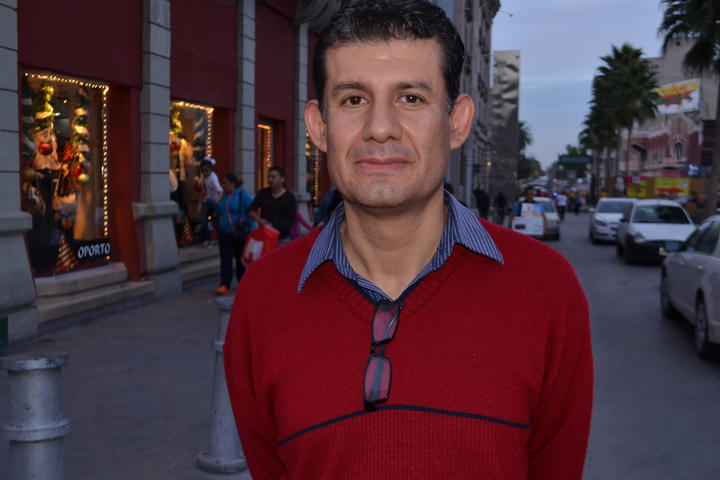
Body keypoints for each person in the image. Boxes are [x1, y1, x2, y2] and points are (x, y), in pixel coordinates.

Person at [224, 2, 593, 479]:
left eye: (411, 98)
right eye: (353, 100)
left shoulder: (546, 290)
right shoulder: (262, 299)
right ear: (319, 126)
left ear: (456, 122)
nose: (380, 128)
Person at [212, 173, 255, 296]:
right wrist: (211, 200)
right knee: (225, 259)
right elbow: (220, 208)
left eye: (225, 183)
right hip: (224, 232)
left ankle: (243, 283)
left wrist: (252, 231)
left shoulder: (242, 194)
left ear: (233, 184)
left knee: (240, 259)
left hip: (239, 233)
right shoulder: (224, 195)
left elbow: (252, 211)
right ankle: (224, 284)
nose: (223, 185)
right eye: (222, 183)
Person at [247, 166, 297, 245]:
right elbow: (251, 210)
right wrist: (259, 220)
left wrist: (273, 226)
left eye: (273, 177)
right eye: (268, 177)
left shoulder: (289, 197)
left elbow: (291, 219)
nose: (270, 180)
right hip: (264, 236)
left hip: (282, 238)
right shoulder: (262, 193)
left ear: (282, 179)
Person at [199, 157, 222, 246]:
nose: (204, 173)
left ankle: (218, 238)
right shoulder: (203, 176)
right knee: (204, 220)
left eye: (206, 170)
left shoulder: (213, 178)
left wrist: (217, 199)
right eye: (202, 171)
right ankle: (206, 240)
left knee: (216, 221)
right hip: (206, 200)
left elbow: (220, 191)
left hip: (213, 201)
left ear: (211, 169)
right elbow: (202, 186)